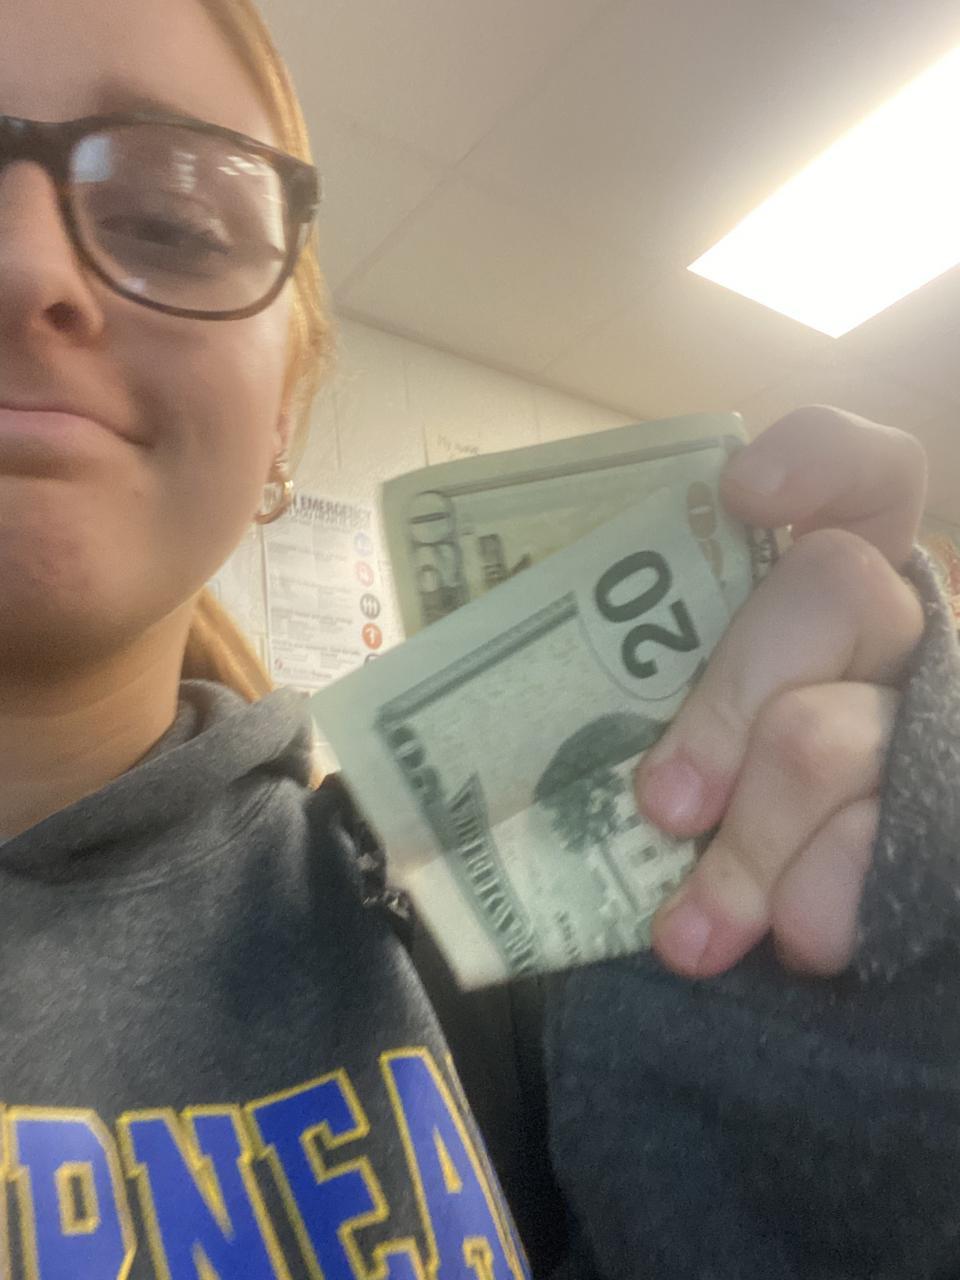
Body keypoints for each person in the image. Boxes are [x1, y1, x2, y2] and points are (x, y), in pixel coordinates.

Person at [0, 0, 949, 1275]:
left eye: (171, 221)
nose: (26, 269)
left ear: (280, 414)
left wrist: (896, 976)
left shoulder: (491, 953)